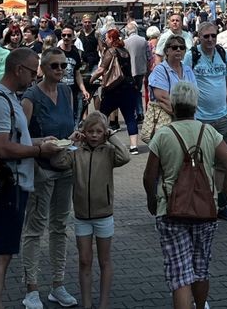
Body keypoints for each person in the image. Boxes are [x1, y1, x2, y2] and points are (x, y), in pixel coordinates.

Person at [143, 81, 227, 309]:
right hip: (206, 208)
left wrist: (151, 199)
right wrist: (222, 195)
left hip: (170, 210)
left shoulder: (164, 135)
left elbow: (149, 176)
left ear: (173, 106)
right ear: (196, 106)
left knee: (180, 274)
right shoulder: (208, 132)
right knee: (200, 268)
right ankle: (200, 305)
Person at [0, 48, 64, 309]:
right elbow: (2, 147)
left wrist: (41, 141)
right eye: (32, 71)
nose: (34, 77)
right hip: (7, 185)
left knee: (4, 253)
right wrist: (39, 150)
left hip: (15, 184)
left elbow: (16, 140)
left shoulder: (9, 98)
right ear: (18, 70)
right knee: (0, 253)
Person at [20, 48, 80, 309]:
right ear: (42, 68)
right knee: (35, 227)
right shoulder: (31, 96)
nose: (60, 70)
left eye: (63, 66)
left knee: (60, 226)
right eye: (54, 66)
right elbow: (18, 136)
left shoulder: (67, 92)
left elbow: (70, 126)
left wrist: (75, 136)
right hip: (41, 168)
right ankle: (31, 287)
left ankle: (58, 284)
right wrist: (42, 143)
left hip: (65, 165)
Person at [70, 111, 131, 309]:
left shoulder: (109, 152)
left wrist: (112, 136)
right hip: (82, 215)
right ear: (84, 132)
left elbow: (126, 156)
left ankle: (103, 303)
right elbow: (58, 162)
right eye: (90, 131)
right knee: (85, 260)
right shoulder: (77, 152)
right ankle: (87, 304)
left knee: (104, 261)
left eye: (99, 131)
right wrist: (72, 141)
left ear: (104, 133)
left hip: (104, 214)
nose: (94, 135)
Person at [184, 21, 227, 221]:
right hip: (200, 119)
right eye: (206, 36)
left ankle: (221, 202)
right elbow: (185, 83)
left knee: (226, 164)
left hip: (222, 117)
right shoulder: (192, 55)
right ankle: (202, 203)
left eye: (213, 36)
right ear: (199, 37)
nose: (210, 40)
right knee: (199, 164)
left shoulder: (222, 54)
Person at [94, 29, 141, 154]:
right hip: (129, 88)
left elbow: (101, 69)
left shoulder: (111, 51)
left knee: (103, 114)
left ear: (112, 39)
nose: (105, 40)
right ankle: (134, 146)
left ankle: (100, 142)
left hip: (114, 89)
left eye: (107, 38)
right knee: (130, 117)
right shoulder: (125, 51)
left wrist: (91, 79)